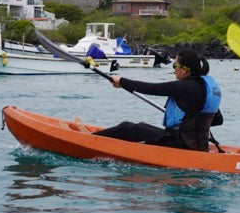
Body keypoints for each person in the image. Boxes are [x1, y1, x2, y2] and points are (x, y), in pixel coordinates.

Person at [65, 49, 223, 151]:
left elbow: (151, 88)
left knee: (127, 127)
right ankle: (95, 138)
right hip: (198, 146)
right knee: (140, 127)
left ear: (184, 69)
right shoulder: (205, 87)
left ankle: (89, 141)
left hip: (180, 145)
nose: (173, 69)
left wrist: (122, 81)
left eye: (175, 65)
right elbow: (217, 120)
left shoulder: (185, 87)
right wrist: (191, 123)